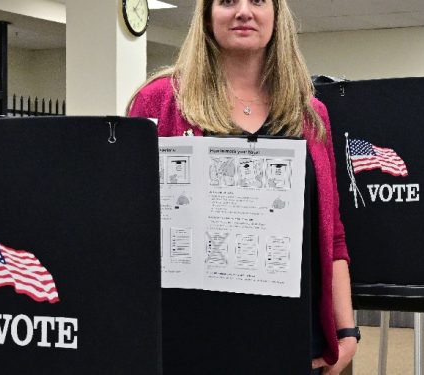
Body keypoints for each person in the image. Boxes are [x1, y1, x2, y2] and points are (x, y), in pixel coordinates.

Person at [127, 0, 357, 373]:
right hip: (190, 341)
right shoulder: (160, 101)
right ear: (206, 15)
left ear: (276, 15)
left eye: (258, 1)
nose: (243, 12)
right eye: (227, 1)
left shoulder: (310, 114)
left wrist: (346, 331)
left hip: (292, 340)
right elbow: (130, 224)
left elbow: (332, 237)